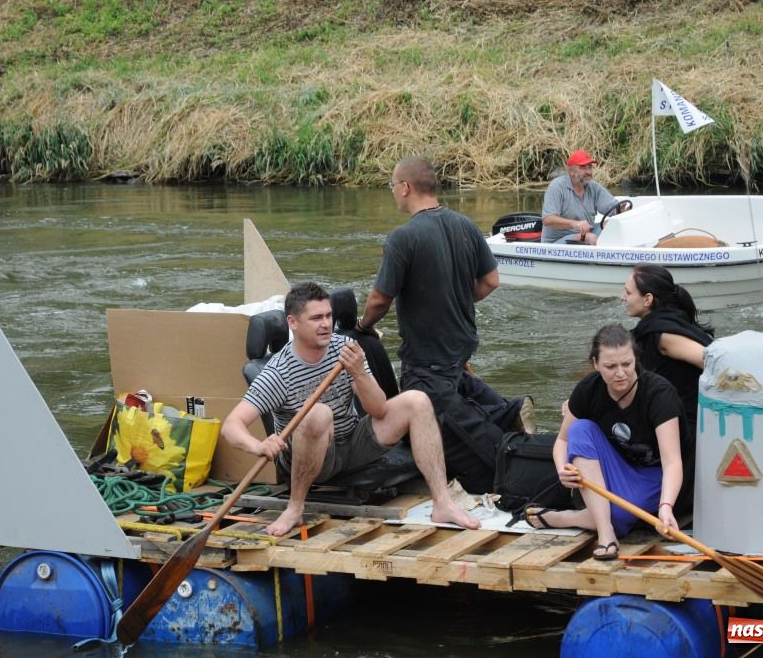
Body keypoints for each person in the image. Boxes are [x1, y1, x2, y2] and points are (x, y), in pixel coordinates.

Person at [221, 281, 480, 536]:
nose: (325, 324)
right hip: (311, 459)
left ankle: (443, 503)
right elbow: (232, 426)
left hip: (353, 442)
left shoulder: (345, 348)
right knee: (319, 413)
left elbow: (378, 409)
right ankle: (294, 507)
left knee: (417, 400)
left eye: (328, 316)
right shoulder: (278, 372)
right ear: (293, 322)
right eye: (315, 318)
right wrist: (258, 446)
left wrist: (359, 374)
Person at [356, 156, 531, 494]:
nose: (393, 193)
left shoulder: (403, 238)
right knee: (465, 409)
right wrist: (459, 301)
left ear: (405, 187)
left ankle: (503, 467)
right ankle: (508, 419)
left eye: (393, 186)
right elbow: (491, 280)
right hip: (459, 357)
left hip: (425, 362)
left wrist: (363, 326)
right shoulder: (466, 225)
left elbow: (380, 300)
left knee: (440, 431)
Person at [523, 324, 692, 561]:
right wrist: (562, 468)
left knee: (620, 514)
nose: (620, 373)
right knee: (580, 429)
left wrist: (665, 506)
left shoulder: (659, 394)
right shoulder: (589, 389)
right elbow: (562, 439)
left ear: (636, 359)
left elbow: (673, 462)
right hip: (616, 468)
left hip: (657, 475)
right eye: (610, 367)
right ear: (595, 364)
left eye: (627, 364)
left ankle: (568, 518)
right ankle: (605, 533)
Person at [622, 264, 714, 432]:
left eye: (628, 293)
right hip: (667, 419)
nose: (623, 297)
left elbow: (713, 363)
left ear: (647, 299)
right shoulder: (657, 326)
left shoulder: (664, 336)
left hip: (685, 429)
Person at [540, 149, 627, 245]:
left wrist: (623, 209)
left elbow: (613, 209)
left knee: (614, 226)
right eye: (583, 168)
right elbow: (547, 219)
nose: (588, 172)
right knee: (590, 238)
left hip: (588, 232)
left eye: (589, 167)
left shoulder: (593, 187)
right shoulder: (557, 186)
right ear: (571, 171)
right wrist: (575, 224)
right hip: (555, 243)